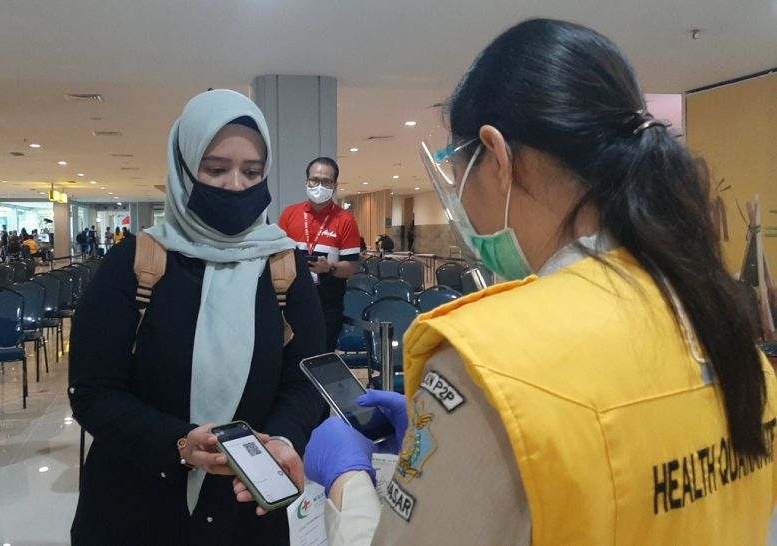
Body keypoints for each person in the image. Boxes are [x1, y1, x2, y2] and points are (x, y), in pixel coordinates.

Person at [288, 19, 777, 545]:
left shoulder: (490, 359)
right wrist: (453, 442)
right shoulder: (717, 323)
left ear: (496, 157)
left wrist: (348, 483)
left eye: (459, 168)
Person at [69, 89, 327, 545]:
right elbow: (92, 391)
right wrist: (180, 443)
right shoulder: (135, 263)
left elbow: (306, 381)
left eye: (251, 172)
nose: (235, 185)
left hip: (246, 508)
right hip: (135, 507)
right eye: (215, 168)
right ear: (185, 168)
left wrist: (283, 441)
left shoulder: (283, 266)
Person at [278, 157, 362, 353]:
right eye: (314, 180)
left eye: (326, 182)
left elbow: (351, 267)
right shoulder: (290, 214)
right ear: (306, 181)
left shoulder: (345, 220)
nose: (319, 186)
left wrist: (330, 268)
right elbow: (278, 256)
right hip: (293, 300)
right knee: (291, 357)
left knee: (322, 356)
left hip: (327, 304)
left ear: (334, 185)